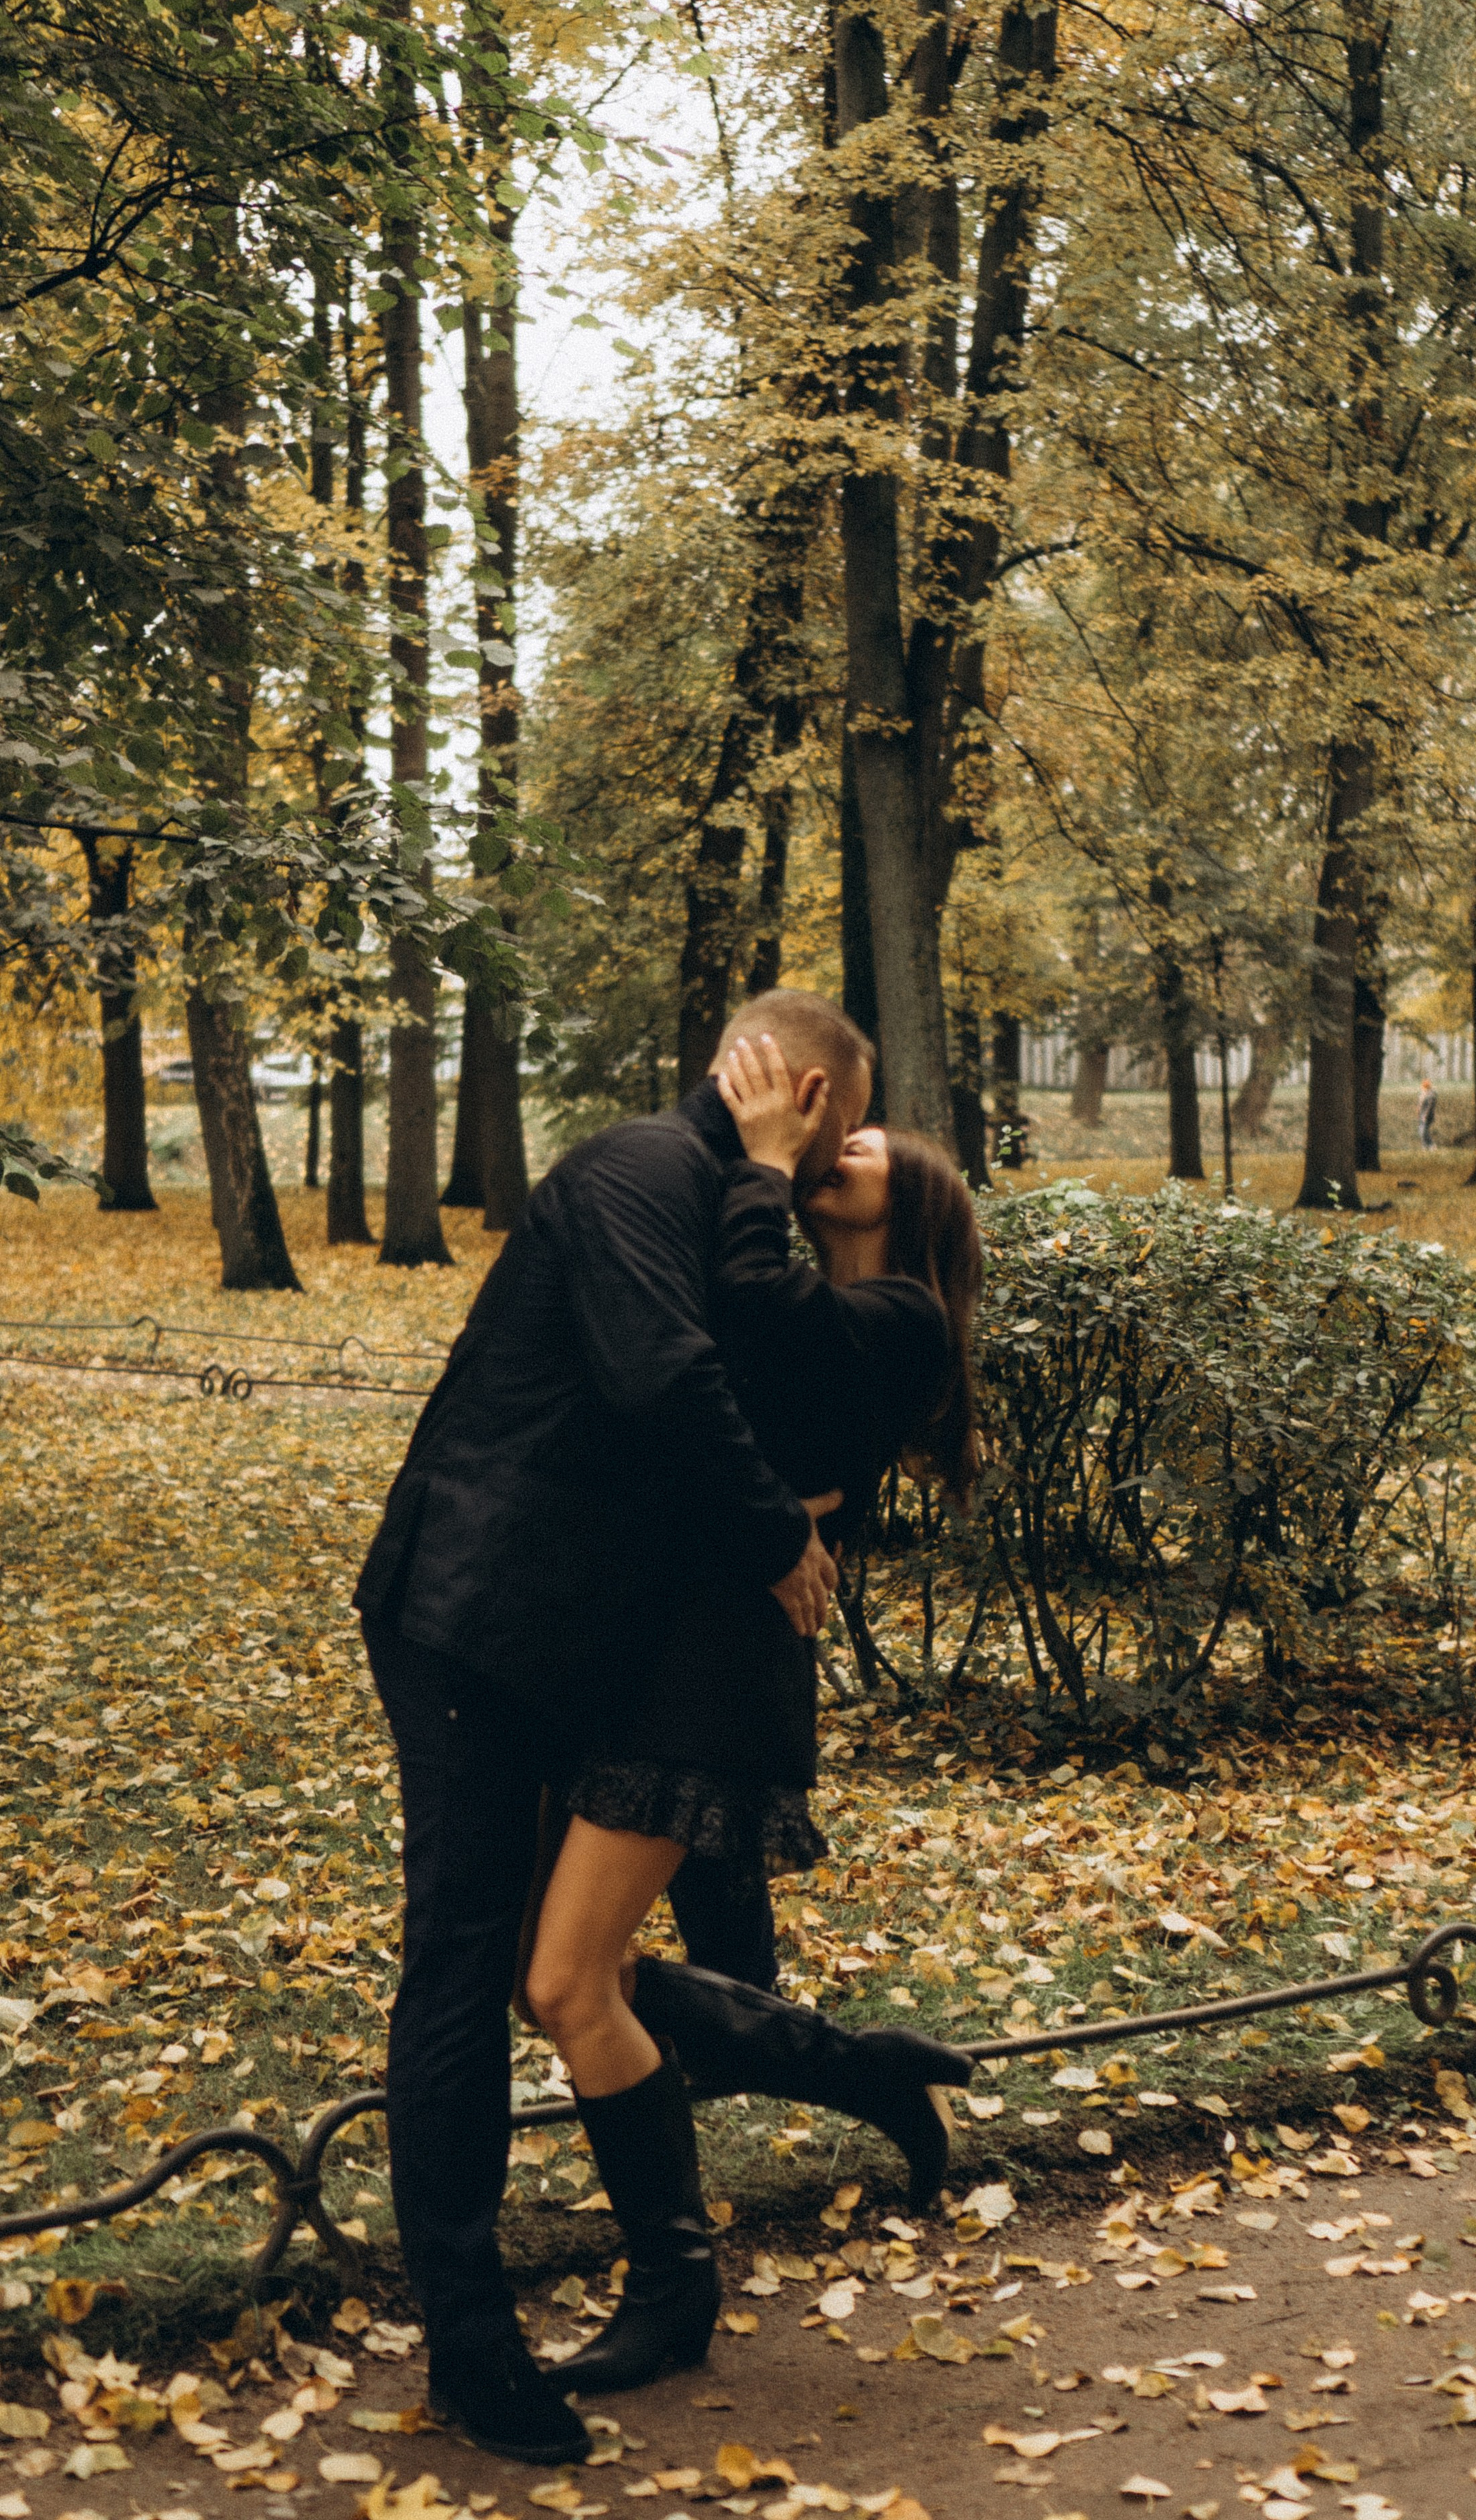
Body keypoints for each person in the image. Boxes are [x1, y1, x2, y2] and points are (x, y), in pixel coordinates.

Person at [355, 992, 954, 2461]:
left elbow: (747, 1373)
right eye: (844, 1129)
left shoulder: (773, 1237)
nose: (842, 1158)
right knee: (478, 1969)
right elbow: (667, 1378)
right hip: (478, 1613)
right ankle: (476, 2349)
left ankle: (779, 2128)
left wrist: (781, 1523)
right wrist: (775, 1534)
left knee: (549, 1973)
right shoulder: (640, 1170)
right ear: (810, 1092)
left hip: (604, 1648)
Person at [522, 1034, 985, 2403]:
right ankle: (848, 2066)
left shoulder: (900, 1318)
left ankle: (671, 2289)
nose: (829, 1142)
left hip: (714, 1669)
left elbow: (750, 1310)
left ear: (902, 1208)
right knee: (540, 1970)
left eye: (856, 1151)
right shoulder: (804, 1299)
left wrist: (766, 1167)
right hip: (653, 1642)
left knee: (563, 1984)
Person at [1416, 1077, 1438, 1150]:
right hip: (1422, 1115)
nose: (1423, 1089)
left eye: (1425, 1087)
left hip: (1428, 1116)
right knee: (1421, 1131)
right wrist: (1418, 1111)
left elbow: (1429, 1107)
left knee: (1424, 1131)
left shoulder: (1431, 1096)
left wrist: (1425, 1116)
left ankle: (1431, 1145)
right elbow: (1420, 1104)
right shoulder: (1422, 1094)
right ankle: (1425, 1145)